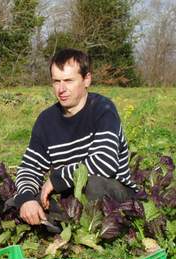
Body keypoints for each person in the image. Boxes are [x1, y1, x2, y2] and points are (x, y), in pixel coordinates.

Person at [14, 48, 137, 225]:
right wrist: (27, 199)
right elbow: (28, 168)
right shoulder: (45, 121)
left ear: (86, 80)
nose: (61, 89)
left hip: (112, 191)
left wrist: (56, 180)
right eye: (56, 82)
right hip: (72, 196)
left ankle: (87, 226)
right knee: (18, 201)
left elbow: (105, 163)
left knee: (93, 185)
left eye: (69, 81)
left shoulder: (103, 109)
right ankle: (66, 224)